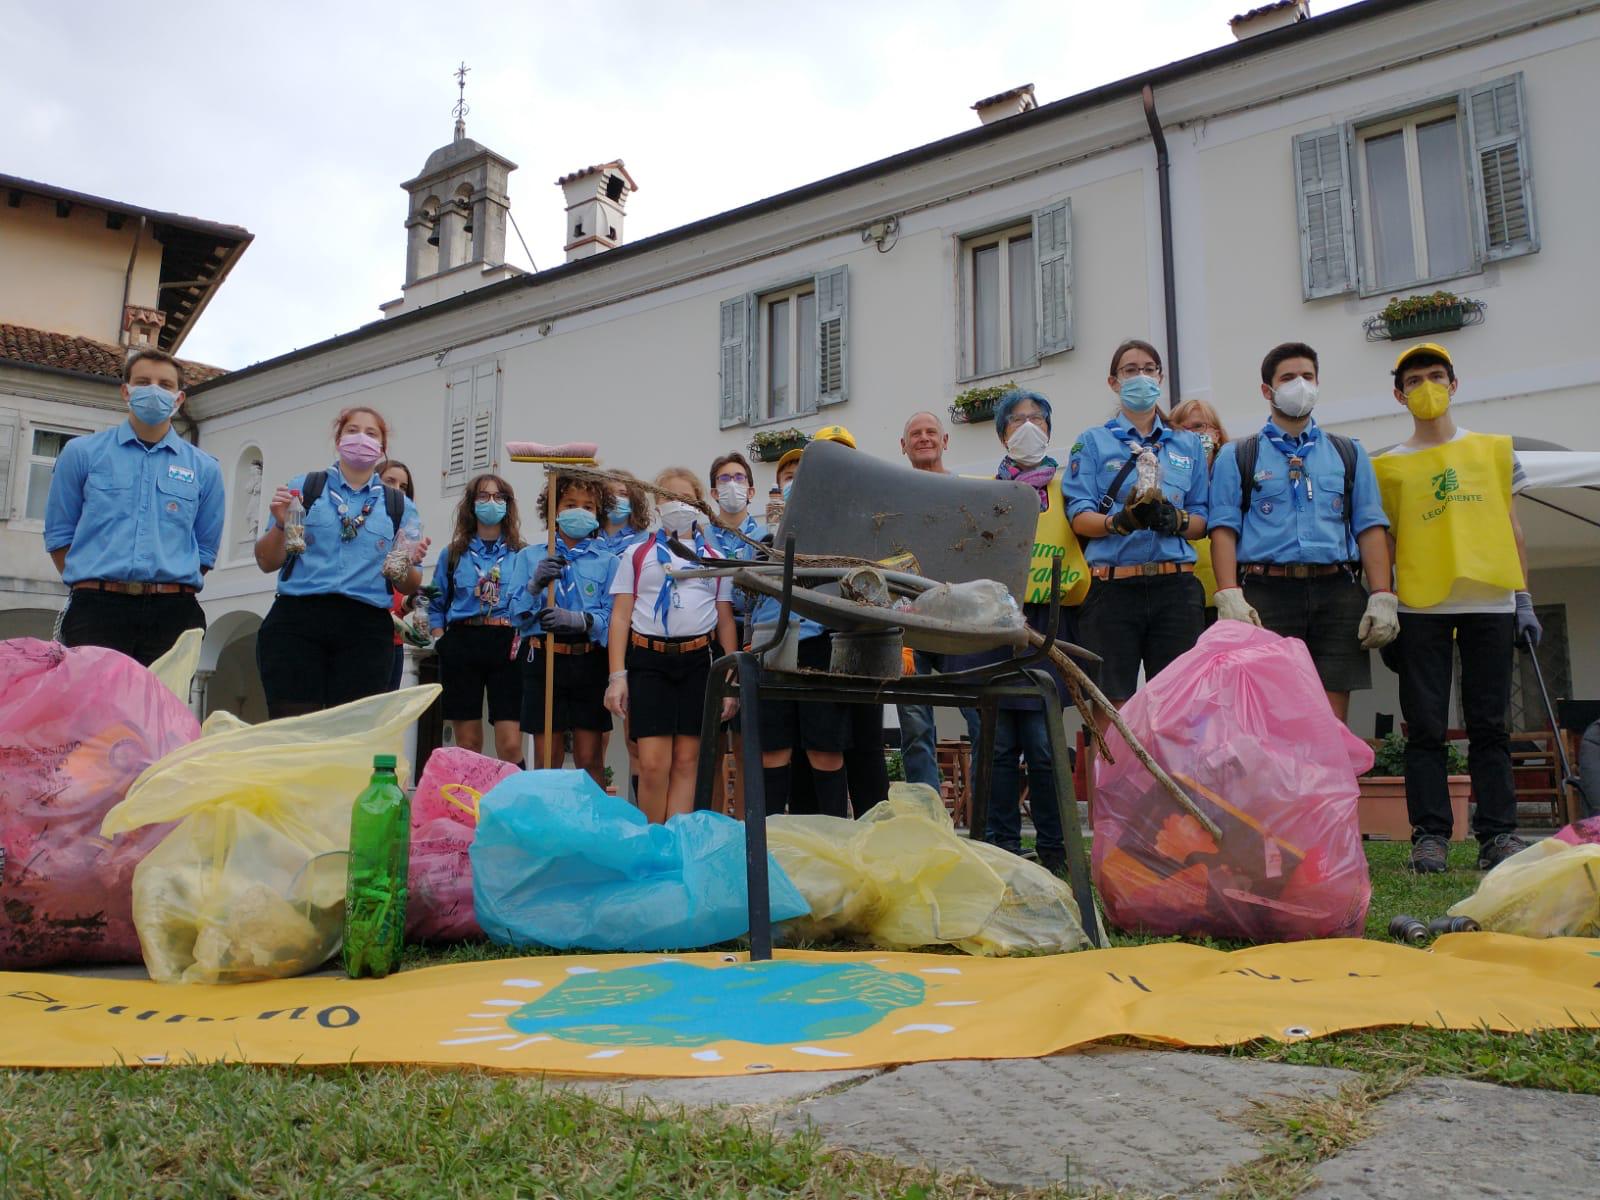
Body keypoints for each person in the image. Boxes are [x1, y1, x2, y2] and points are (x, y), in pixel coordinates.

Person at [1372, 343, 1537, 873]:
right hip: (1421, 606)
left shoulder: (1494, 450)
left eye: (1436, 376)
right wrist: (1383, 599)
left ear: (1455, 384)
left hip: (1490, 599)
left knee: (1491, 724)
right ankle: (1430, 836)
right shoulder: (1387, 466)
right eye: (1414, 380)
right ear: (1399, 395)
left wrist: (1525, 599)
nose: (1426, 387)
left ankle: (1498, 835)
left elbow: (1512, 526)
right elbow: (1387, 541)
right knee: (1424, 728)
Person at [1207, 343, 1396, 723]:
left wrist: (1382, 595)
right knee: (1270, 712)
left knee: (1330, 714)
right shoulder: (1238, 455)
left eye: (1307, 377)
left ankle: (1327, 783)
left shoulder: (1348, 453)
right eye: (1288, 378)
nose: (1300, 385)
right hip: (1266, 593)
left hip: (1337, 590)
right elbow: (1223, 529)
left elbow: (1370, 526)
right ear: (1267, 390)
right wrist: (1228, 595)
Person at [949, 390, 1091, 873]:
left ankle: (1057, 854)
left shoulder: (1074, 490)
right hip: (989, 632)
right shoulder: (982, 491)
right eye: (1016, 420)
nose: (1027, 427)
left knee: (1047, 747)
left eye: (1037, 418)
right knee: (996, 749)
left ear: (1050, 429)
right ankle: (1001, 852)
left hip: (1046, 633)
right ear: (1002, 433)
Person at [44, 348, 224, 666]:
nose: (154, 389)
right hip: (97, 610)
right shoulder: (81, 454)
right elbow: (60, 536)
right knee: (96, 713)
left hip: (173, 615)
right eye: (143, 381)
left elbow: (205, 551)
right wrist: (98, 581)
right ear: (126, 391)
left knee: (160, 714)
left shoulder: (205, 468)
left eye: (165, 384)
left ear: (179, 399)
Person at [1066, 339, 1210, 718]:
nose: (1141, 376)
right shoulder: (1092, 442)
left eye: (1149, 369)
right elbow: (1079, 514)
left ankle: (1171, 780)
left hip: (1174, 587)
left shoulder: (1188, 443)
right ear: (1114, 382)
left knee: (1178, 705)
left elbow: (1202, 518)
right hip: (1112, 587)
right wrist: (1117, 522)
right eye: (1130, 370)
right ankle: (1111, 779)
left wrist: (1176, 521)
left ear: (1160, 378)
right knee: (1110, 707)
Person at [254, 406, 428, 718]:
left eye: (371, 433)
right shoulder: (305, 487)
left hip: (365, 627)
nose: (361, 438)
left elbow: (408, 581)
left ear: (381, 449)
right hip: (298, 618)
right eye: (352, 430)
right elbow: (267, 561)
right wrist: (281, 524)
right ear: (338, 439)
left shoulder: (400, 506)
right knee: (292, 728)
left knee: (351, 730)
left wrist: (407, 561)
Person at [604, 467, 738, 823]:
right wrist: (617, 676)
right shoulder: (635, 554)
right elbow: (619, 617)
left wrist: (730, 681)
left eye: (685, 498)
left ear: (699, 503)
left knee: (687, 761)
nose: (677, 504)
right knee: (651, 762)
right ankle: (653, 837)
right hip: (649, 660)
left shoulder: (714, 557)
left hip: (698, 661)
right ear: (656, 504)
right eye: (668, 497)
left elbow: (724, 619)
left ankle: (674, 844)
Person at [755, 427, 863, 820]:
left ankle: (834, 833)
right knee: (773, 747)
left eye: (802, 475)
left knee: (824, 744)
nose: (794, 484)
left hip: (820, 642)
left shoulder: (838, 532)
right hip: (772, 645)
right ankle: (767, 839)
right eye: (787, 477)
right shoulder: (760, 537)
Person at [509, 473, 618, 787]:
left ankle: (589, 826)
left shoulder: (608, 561)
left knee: (589, 758)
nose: (579, 511)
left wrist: (580, 620)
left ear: (597, 513)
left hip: (587, 659)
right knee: (547, 757)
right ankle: (546, 826)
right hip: (544, 658)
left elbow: (612, 617)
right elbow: (516, 616)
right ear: (554, 509)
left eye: (588, 506)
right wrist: (535, 585)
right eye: (571, 504)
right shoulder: (529, 557)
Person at [426, 474, 527, 764]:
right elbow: (437, 600)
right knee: (468, 743)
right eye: (483, 497)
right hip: (462, 640)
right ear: (471, 505)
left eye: (498, 497)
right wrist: (439, 637)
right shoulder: (453, 553)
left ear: (507, 505)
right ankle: (470, 807)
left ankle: (513, 806)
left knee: (509, 743)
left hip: (507, 643)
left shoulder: (520, 554)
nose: (491, 503)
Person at [704, 451, 766, 818]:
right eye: (724, 480)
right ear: (713, 493)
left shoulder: (766, 539)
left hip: (753, 640)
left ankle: (745, 837)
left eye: (739, 478)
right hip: (706, 642)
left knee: (746, 748)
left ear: (752, 490)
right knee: (708, 749)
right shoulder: (699, 540)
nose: (732, 486)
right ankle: (710, 830)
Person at [895, 412, 951, 792]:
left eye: (932, 432)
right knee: (916, 725)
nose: (924, 438)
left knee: (981, 718)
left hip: (958, 618)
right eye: (915, 433)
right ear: (903, 446)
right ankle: (926, 819)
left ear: (945, 441)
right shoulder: (894, 497)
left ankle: (990, 831)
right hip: (910, 621)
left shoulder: (964, 493)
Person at [1168, 399, 1230, 618]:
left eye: (1198, 427)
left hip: (1228, 595)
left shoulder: (1233, 478)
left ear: (1217, 434)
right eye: (1180, 429)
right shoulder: (1169, 483)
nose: (1190, 435)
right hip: (1182, 595)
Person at [378, 460, 417, 691]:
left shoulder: (407, 533)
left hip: (393, 641)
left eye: (403, 487)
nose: (397, 490)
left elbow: (395, 592)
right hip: (364, 635)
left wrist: (408, 603)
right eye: (389, 481)